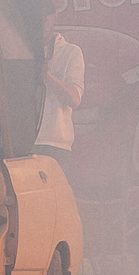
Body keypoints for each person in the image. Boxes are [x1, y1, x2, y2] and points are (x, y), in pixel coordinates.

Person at [34, 26, 84, 179]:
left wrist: (46, 76)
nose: (40, 22)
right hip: (21, 144)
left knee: (53, 201)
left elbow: (75, 99)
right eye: (36, 16)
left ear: (54, 18)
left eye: (45, 17)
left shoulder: (71, 52)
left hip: (55, 145)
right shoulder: (18, 50)